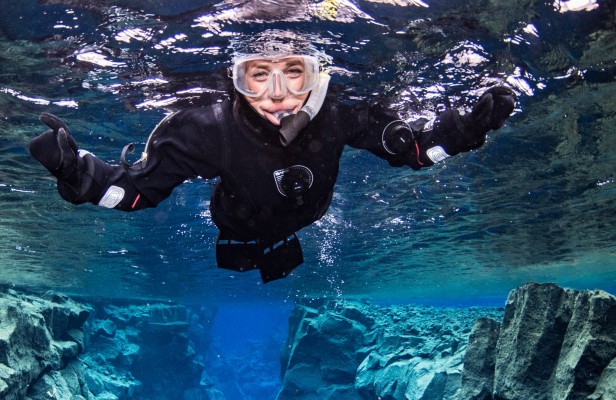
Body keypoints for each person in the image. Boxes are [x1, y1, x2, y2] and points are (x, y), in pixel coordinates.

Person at [29, 31, 516, 283]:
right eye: (258, 74)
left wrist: (465, 129)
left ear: (316, 74)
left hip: (308, 214)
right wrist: (80, 175)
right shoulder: (204, 131)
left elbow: (414, 150)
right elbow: (138, 193)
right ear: (236, 78)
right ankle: (245, 249)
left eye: (293, 73)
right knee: (239, 245)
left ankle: (275, 248)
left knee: (289, 235)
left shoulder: (343, 113)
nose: (279, 95)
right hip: (235, 220)